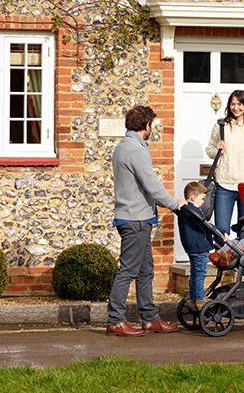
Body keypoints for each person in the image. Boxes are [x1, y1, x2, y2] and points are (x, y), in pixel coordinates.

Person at [107, 105, 185, 337]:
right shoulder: (136, 150)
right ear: (146, 125)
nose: (152, 129)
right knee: (128, 271)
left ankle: (150, 319)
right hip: (136, 220)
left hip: (134, 217)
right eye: (152, 125)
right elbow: (152, 185)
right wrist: (174, 204)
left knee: (145, 271)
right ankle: (115, 320)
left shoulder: (123, 147)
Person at [205, 90, 244, 242]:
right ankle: (223, 264)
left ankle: (241, 266)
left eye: (239, 104)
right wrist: (217, 148)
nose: (236, 107)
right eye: (233, 104)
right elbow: (210, 150)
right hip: (224, 185)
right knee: (221, 231)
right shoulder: (221, 125)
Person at [174, 181, 215, 312]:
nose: (204, 202)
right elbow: (203, 226)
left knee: (194, 273)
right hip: (199, 247)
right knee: (199, 274)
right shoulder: (192, 211)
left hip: (192, 247)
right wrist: (219, 232)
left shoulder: (185, 209)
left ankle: (193, 298)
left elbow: (175, 207)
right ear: (193, 198)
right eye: (202, 199)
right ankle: (199, 300)